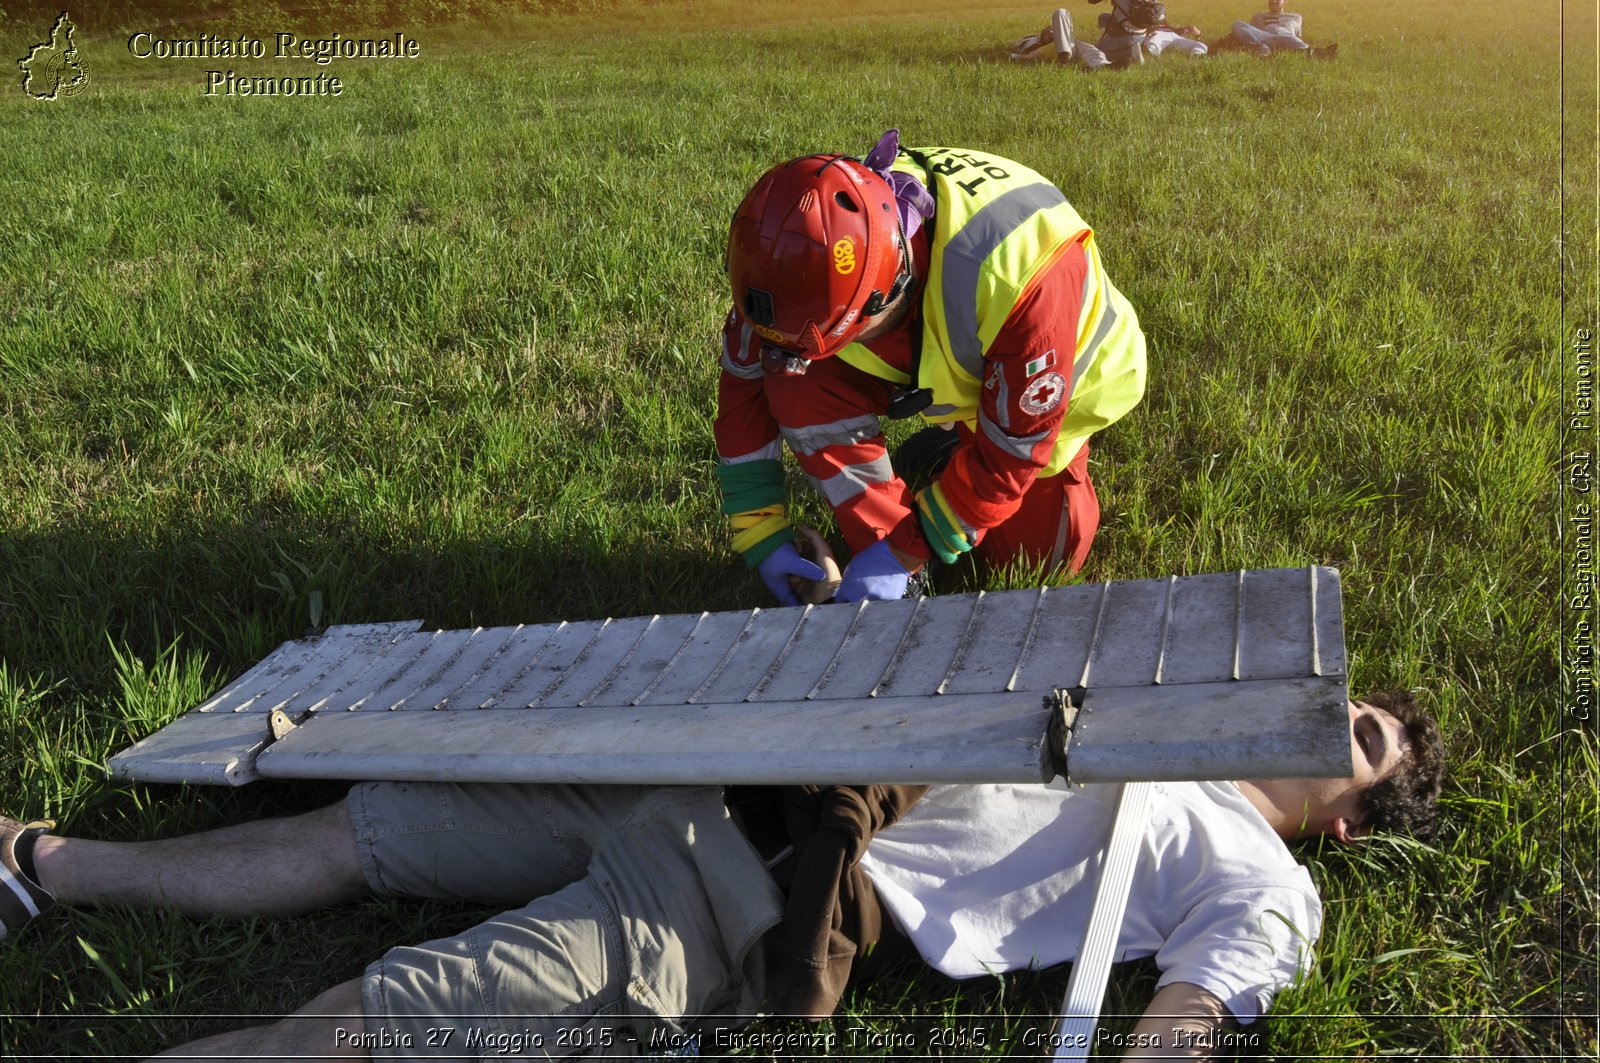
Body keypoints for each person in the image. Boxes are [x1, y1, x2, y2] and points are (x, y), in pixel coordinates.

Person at [1, 691, 1444, 1060]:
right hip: (721, 761)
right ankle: (48, 865)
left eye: (1357, 736)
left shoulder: (1264, 872)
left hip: (751, 884)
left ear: (1344, 819)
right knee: (363, 824)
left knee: (364, 1022)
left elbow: (1191, 1011)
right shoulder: (1169, 684)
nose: (1329, 715)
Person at [716, 131, 1147, 606]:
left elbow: (1012, 454)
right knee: (798, 381)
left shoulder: (1020, 279)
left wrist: (905, 552)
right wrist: (758, 529)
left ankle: (953, 457)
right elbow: (746, 384)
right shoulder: (792, 258)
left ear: (885, 291)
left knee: (1033, 566)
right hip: (954, 354)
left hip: (1056, 391)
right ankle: (886, 529)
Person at [1219, 0, 1337, 58]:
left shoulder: (1296, 17)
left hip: (1287, 38)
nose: (1273, 1)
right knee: (1237, 24)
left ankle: (1317, 53)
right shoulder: (1258, 16)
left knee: (1288, 37)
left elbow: (1297, 35)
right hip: (1266, 39)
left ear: (1285, 1)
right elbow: (1247, 34)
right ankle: (1262, 50)